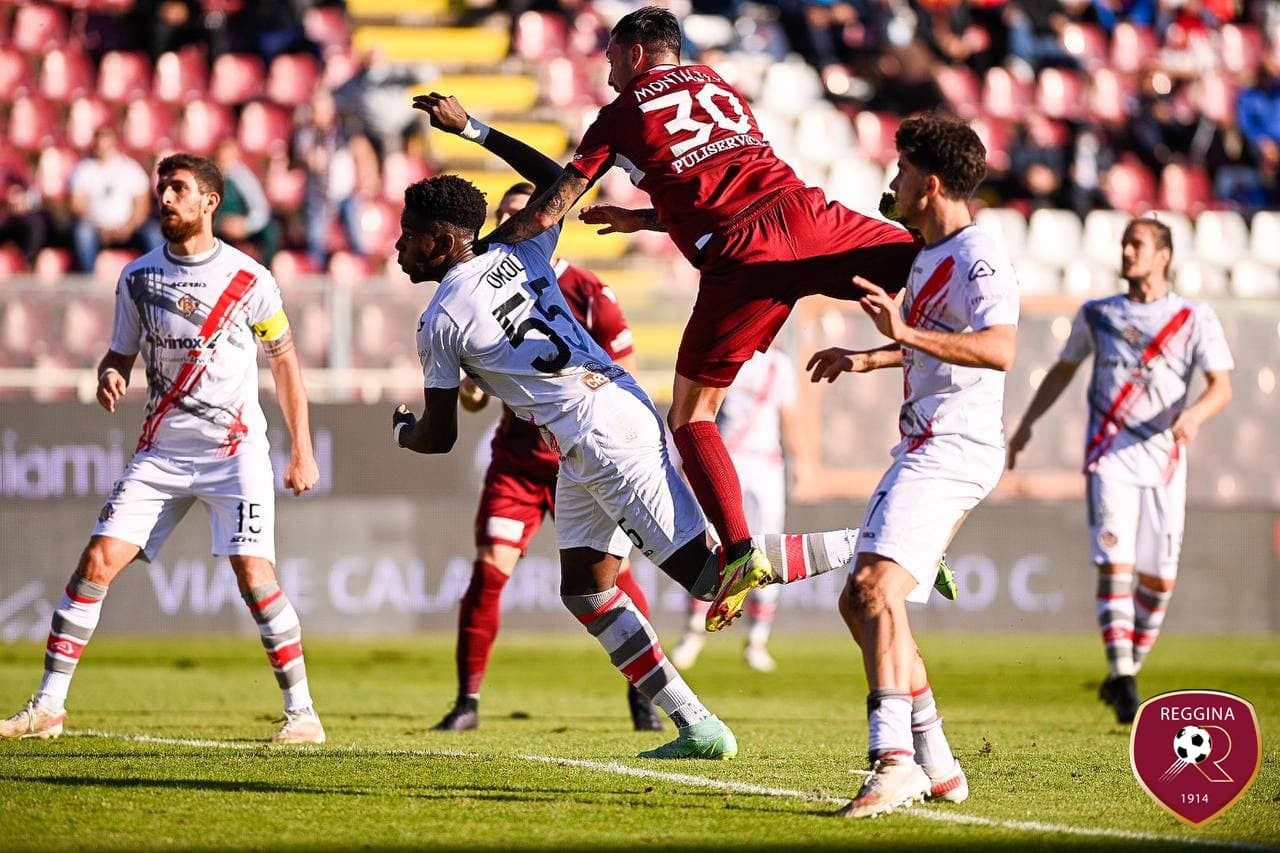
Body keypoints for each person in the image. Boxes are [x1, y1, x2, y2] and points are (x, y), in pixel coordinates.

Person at [396, 93, 864, 759]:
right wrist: (474, 129)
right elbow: (556, 178)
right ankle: (697, 725)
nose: (398, 245)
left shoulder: (439, 319)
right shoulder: (523, 248)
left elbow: (438, 435)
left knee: (712, 578)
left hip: (599, 433)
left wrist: (402, 430)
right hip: (595, 424)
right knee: (586, 591)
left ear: (442, 243)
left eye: (408, 234)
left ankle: (884, 541)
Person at [478, 7, 920, 629]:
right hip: (807, 218)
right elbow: (727, 186)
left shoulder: (620, 115)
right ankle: (970, 328)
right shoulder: (715, 83)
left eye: (611, 57)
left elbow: (552, 206)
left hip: (743, 258)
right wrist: (643, 219)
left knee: (691, 415)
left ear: (635, 53)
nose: (607, 71)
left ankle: (739, 552)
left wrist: (482, 254)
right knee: (927, 259)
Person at [0, 153, 325, 744]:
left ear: (209, 202)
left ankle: (302, 715)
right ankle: (48, 706)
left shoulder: (249, 278)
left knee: (255, 576)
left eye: (178, 188)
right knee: (96, 562)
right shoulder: (137, 277)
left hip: (234, 453)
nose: (166, 198)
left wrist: (301, 449)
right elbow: (119, 353)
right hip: (161, 455)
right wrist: (110, 373)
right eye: (162, 188)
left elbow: (285, 365)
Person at [806, 115, 1018, 818]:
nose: (892, 182)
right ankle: (939, 763)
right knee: (864, 600)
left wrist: (900, 330)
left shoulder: (979, 255)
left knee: (873, 589)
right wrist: (870, 356)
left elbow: (998, 348)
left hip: (954, 444)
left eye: (901, 171)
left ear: (929, 183)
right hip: (929, 441)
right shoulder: (930, 254)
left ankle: (893, 761)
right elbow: (935, 342)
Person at [436, 180, 662, 734]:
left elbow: (625, 374)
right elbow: (475, 392)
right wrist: (471, 390)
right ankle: (467, 702)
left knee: (612, 579)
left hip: (581, 460)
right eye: (505, 215)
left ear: (546, 221)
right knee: (490, 569)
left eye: (523, 214)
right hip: (518, 462)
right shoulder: (479, 292)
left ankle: (647, 696)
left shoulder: (588, 290)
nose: (511, 224)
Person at [1007, 217, 1233, 725]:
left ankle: (1125, 672)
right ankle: (1124, 675)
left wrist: (1196, 414)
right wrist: (1027, 425)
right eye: (1125, 243)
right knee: (1115, 565)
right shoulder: (1098, 314)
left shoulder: (1193, 317)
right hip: (1109, 456)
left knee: (1159, 581)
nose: (1127, 252)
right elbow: (1062, 371)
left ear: (1164, 255)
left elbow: (1221, 386)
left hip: (1165, 461)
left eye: (1138, 244)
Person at [669, 346, 800, 673]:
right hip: (726, 457)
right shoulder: (729, 356)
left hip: (767, 464)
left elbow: (789, 416)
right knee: (710, 543)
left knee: (768, 546)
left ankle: (757, 640)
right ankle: (693, 632)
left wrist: (798, 462)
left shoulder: (780, 364)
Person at [70, 127, 163, 273]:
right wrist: (100, 228)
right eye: (99, 143)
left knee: (154, 233)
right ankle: (87, 277)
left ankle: (157, 275)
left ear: (114, 144)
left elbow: (142, 206)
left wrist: (129, 227)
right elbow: (77, 206)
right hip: (96, 228)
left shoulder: (131, 168)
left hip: (129, 228)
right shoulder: (83, 169)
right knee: (83, 233)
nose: (102, 148)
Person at [213, 139, 279, 264]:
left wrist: (246, 225)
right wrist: (221, 224)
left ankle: (265, 267)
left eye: (229, 159)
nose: (225, 164)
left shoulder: (244, 178)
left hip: (243, 224)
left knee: (272, 231)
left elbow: (260, 209)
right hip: (219, 227)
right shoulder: (209, 180)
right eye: (221, 159)